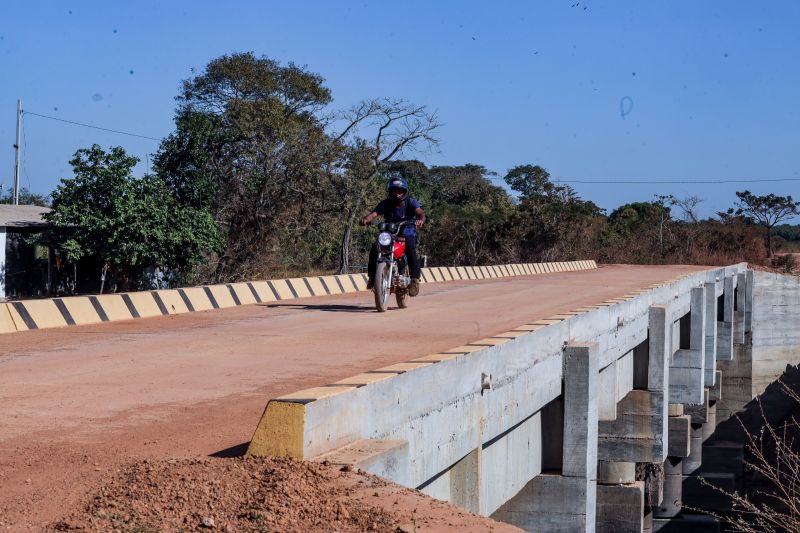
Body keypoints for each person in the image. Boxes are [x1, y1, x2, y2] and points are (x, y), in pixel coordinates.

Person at [360, 177, 426, 296]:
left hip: (407, 231)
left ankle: (415, 280)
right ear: (390, 191)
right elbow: (374, 214)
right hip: (389, 232)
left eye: (399, 190)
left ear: (404, 191)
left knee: (410, 248)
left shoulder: (410, 202)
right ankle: (372, 277)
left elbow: (420, 212)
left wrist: (420, 219)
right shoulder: (386, 203)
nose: (396, 193)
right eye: (394, 190)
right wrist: (366, 219)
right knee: (375, 247)